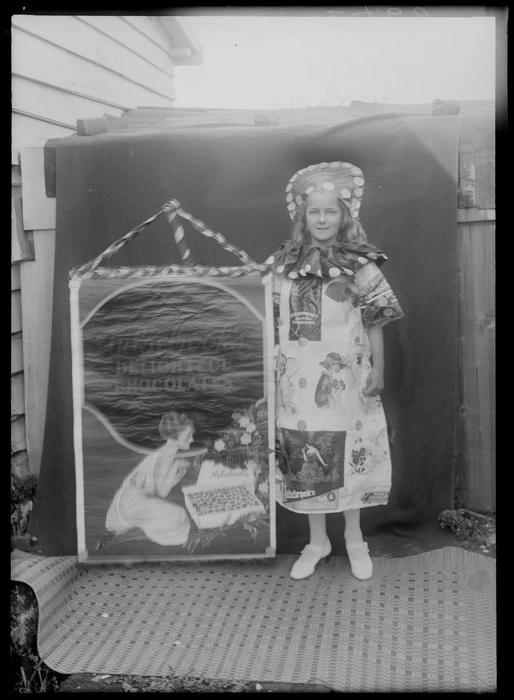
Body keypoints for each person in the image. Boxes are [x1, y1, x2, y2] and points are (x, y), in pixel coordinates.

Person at [264, 161, 404, 581]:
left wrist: (378, 366)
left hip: (346, 377)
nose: (322, 219)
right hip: (294, 381)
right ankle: (317, 540)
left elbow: (376, 317)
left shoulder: (360, 264)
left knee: (350, 450)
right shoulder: (282, 266)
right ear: (302, 217)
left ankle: (354, 538)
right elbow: (266, 317)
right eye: (314, 212)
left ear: (344, 217)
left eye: (330, 212)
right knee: (308, 454)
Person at [98, 412, 195, 549]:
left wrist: (177, 472)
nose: (191, 439)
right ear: (175, 436)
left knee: (179, 517)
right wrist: (176, 470)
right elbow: (162, 492)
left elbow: (160, 488)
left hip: (129, 500)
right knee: (179, 515)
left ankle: (132, 532)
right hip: (133, 502)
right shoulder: (166, 455)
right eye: (188, 435)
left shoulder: (166, 451)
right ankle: (136, 534)